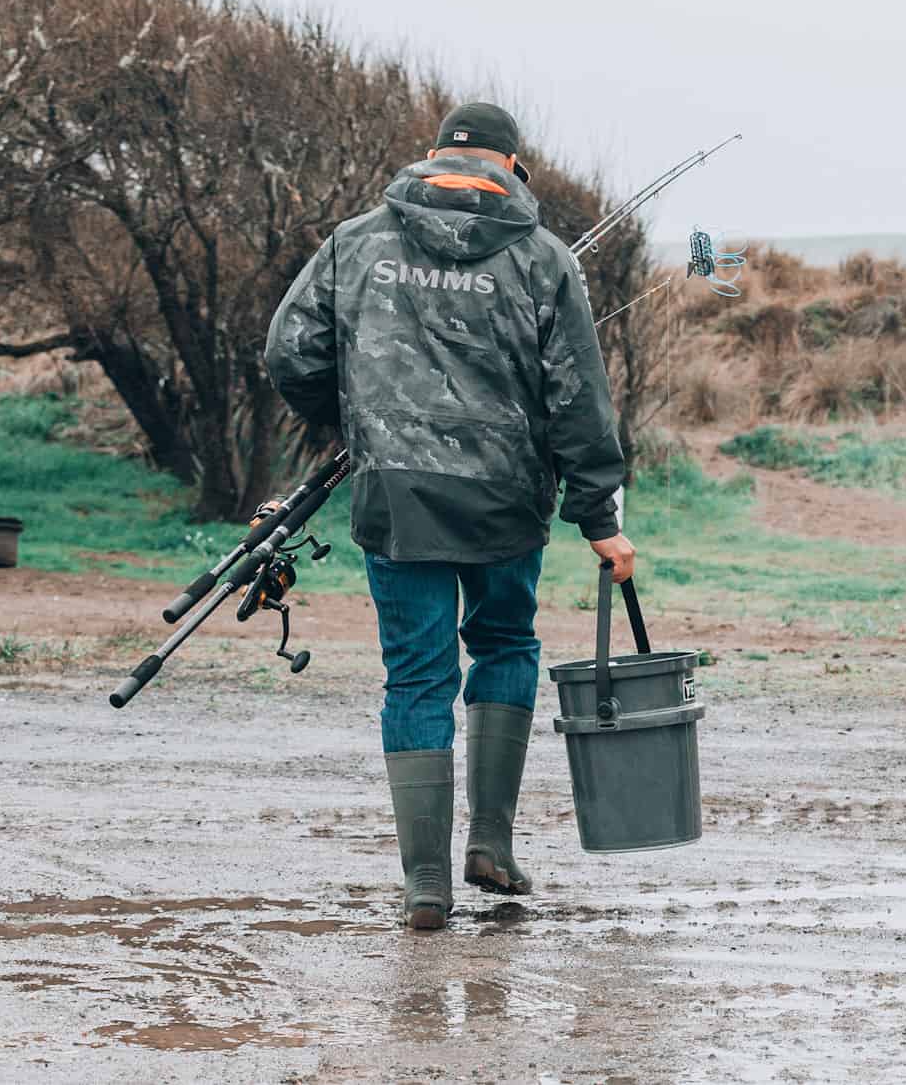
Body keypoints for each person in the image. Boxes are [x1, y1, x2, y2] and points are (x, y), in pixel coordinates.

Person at [264, 101, 634, 931]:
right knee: (504, 642)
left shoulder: (355, 242)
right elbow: (577, 396)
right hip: (505, 499)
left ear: (431, 156)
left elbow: (289, 352)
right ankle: (492, 846)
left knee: (416, 676)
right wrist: (598, 512)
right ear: (514, 168)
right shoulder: (543, 260)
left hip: (396, 493)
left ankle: (425, 884)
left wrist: (354, 420)